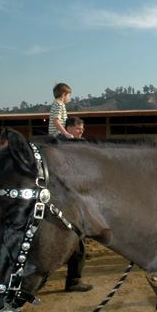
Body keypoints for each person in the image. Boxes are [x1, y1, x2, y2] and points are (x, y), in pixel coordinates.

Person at [63, 117, 93, 292]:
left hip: (74, 199)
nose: (81, 131)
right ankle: (73, 280)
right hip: (67, 201)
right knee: (77, 240)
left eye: (83, 128)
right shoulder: (64, 145)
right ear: (68, 128)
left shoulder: (77, 144)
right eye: (78, 128)